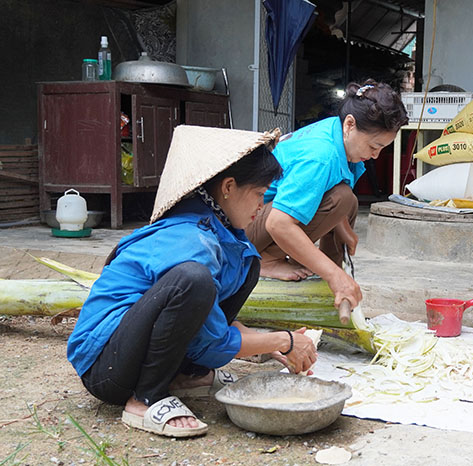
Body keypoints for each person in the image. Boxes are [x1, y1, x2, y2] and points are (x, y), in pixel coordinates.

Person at [67, 126, 318, 438]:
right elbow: (211, 341)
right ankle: (146, 399)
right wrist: (284, 341)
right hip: (106, 369)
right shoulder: (190, 238)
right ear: (228, 187)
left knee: (248, 263)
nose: (261, 205)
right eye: (258, 194)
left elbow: (205, 322)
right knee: (193, 280)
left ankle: (187, 375)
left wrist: (265, 343)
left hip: (134, 352)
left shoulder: (220, 229)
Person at [245, 79, 408, 314]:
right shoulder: (320, 156)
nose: (375, 155)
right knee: (340, 199)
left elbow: (327, 189)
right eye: (374, 146)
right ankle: (265, 261)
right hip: (240, 234)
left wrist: (341, 227)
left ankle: (330, 279)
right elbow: (278, 223)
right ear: (350, 125)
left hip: (259, 217)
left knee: (347, 201)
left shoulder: (336, 130)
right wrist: (335, 276)